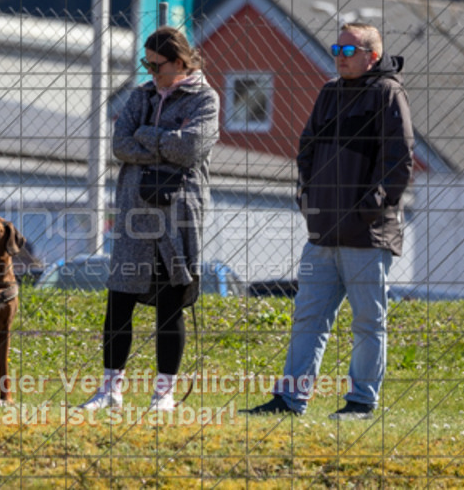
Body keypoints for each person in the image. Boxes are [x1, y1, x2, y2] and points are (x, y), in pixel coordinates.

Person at [241, 22, 414, 420]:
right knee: (308, 318)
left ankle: (361, 402)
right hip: (323, 233)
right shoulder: (329, 92)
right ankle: (289, 400)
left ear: (372, 56)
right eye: (337, 49)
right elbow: (306, 150)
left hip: (368, 235)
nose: (340, 57)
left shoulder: (388, 93)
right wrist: (308, 198)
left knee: (368, 322)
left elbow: (399, 161)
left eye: (349, 51)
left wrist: (370, 208)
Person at [79, 26, 219, 412]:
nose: (150, 72)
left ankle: (164, 394)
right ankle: (110, 391)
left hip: (178, 215)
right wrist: (164, 141)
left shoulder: (205, 98)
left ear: (180, 62)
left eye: (156, 65)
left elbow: (190, 148)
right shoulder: (141, 95)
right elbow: (120, 145)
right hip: (134, 212)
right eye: (147, 63)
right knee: (119, 300)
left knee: (171, 304)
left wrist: (147, 134)